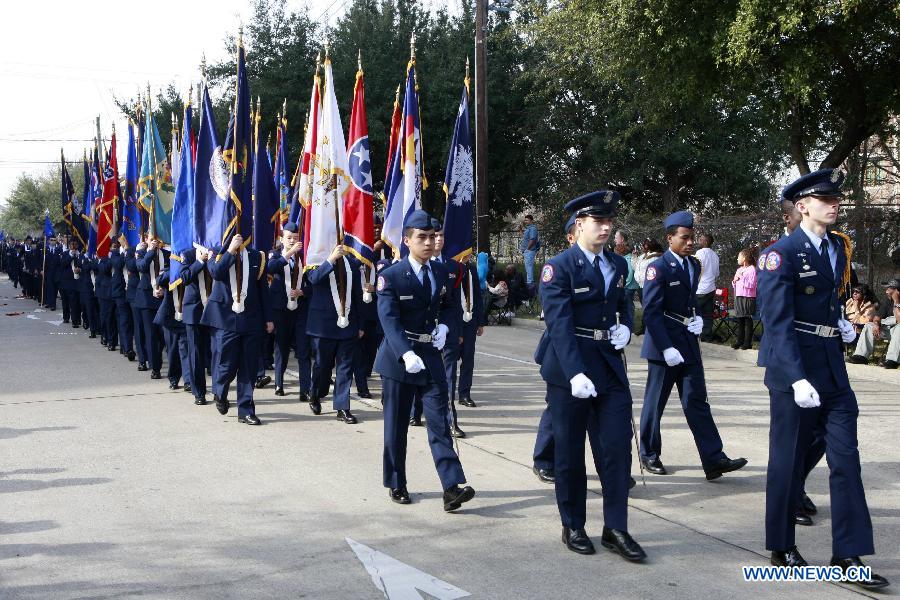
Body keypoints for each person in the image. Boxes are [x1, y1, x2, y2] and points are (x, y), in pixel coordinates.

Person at [757, 168, 888, 590]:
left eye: (836, 198)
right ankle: (780, 545)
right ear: (803, 206)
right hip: (795, 370)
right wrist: (795, 377)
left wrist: (841, 325)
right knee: (788, 459)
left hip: (831, 368)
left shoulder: (836, 247)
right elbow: (776, 323)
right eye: (825, 198)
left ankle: (848, 554)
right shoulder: (781, 253)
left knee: (846, 460)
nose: (834, 204)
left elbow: (826, 300)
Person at [538, 190, 643, 560]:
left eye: (609, 221)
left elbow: (623, 304)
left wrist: (626, 328)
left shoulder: (616, 264)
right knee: (569, 453)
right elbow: (559, 324)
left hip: (609, 366)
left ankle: (616, 528)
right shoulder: (559, 267)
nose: (606, 227)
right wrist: (574, 373)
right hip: (571, 370)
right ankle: (573, 524)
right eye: (599, 221)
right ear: (579, 225)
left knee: (616, 450)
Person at [375, 209, 475, 511]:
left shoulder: (442, 272)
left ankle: (451, 486)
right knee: (396, 426)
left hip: (430, 355)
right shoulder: (390, 277)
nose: (430, 243)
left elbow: (449, 307)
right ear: (407, 241)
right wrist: (406, 352)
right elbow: (389, 320)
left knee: (439, 422)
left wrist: (446, 326)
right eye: (422, 237)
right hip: (398, 359)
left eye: (433, 237)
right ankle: (396, 482)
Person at [638, 210, 747, 480]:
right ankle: (649, 454)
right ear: (670, 238)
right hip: (665, 345)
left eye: (691, 237)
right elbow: (651, 311)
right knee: (656, 402)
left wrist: (697, 318)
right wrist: (665, 347)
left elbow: (690, 300)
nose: (689, 242)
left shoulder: (694, 265)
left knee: (697, 401)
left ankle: (713, 459)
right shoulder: (658, 267)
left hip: (687, 340)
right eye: (684, 238)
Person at [201, 234, 274, 425]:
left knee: (249, 367)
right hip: (225, 319)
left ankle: (246, 410)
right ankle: (220, 393)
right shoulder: (217, 252)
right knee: (226, 364)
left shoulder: (257, 256)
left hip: (251, 319)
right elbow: (216, 272)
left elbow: (262, 290)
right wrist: (231, 250)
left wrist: (268, 318)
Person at [305, 241, 364, 424]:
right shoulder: (315, 260)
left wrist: (360, 324)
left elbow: (357, 296)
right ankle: (315, 394)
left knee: (345, 367)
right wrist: (331, 259)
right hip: (323, 327)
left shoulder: (353, 264)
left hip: (347, 324)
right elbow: (314, 279)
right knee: (322, 366)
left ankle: (342, 407)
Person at [267, 223, 313, 402]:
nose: (293, 241)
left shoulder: (304, 259)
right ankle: (279, 383)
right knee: (281, 348)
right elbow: (271, 268)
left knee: (303, 350)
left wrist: (303, 292)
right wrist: (289, 253)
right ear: (281, 239)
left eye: (295, 237)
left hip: (300, 310)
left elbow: (312, 284)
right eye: (289, 238)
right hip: (281, 311)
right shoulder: (276, 255)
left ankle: (305, 389)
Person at [850, 279, 900, 369]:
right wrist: (876, 324)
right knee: (869, 325)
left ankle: (892, 360)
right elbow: (877, 317)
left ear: (897, 291)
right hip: (889, 330)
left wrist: (896, 301)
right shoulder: (888, 301)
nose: (886, 291)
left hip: (898, 331)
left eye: (889, 289)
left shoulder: (895, 301)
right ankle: (861, 356)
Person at [731, 248, 758, 350]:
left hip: (748, 297)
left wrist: (741, 277)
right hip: (738, 296)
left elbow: (751, 285)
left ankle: (747, 343)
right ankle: (739, 341)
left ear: (745, 258)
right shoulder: (739, 269)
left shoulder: (752, 269)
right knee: (740, 319)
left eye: (739, 256)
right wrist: (734, 281)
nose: (737, 258)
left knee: (747, 318)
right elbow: (735, 284)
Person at [694, 233, 719, 342]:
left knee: (694, 312)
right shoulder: (715, 255)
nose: (698, 241)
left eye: (700, 239)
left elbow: (695, 269)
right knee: (707, 314)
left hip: (700, 288)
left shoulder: (699, 253)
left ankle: (693, 334)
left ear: (706, 242)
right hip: (711, 288)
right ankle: (706, 336)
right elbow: (717, 273)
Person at [520, 214, 540, 286]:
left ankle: (530, 283)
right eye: (525, 220)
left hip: (530, 250)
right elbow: (525, 238)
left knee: (529, 267)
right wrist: (520, 231)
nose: (526, 221)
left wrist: (527, 249)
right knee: (527, 267)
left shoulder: (533, 228)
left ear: (531, 220)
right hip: (527, 251)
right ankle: (529, 282)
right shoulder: (528, 228)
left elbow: (533, 239)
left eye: (527, 220)